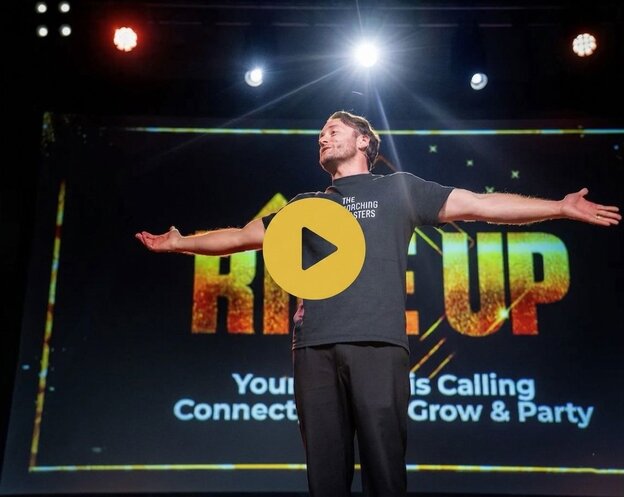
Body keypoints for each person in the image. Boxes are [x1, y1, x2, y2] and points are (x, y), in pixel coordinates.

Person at [135, 111, 620, 497]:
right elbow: (243, 236)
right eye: (320, 134)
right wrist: (181, 244)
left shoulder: (399, 189)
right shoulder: (305, 205)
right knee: (325, 478)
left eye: (334, 130)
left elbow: (481, 204)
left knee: (385, 474)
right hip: (313, 349)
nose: (323, 137)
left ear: (364, 140)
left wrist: (559, 207)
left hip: (378, 345)